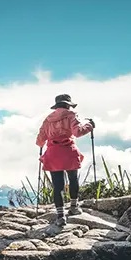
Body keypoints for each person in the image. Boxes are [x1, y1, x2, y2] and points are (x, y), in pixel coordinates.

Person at [35, 94, 95, 226]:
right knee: (73, 179)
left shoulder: (48, 120)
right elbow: (78, 132)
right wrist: (89, 125)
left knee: (58, 186)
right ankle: (74, 207)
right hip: (68, 152)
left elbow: (40, 141)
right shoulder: (71, 115)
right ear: (68, 105)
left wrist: (43, 142)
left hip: (53, 154)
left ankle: (60, 216)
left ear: (56, 106)